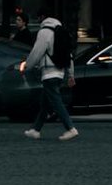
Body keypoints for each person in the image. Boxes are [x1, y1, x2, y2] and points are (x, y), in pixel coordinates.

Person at [22, 13, 77, 142]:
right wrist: (71, 74)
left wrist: (27, 66)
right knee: (45, 103)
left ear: (42, 17)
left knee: (56, 101)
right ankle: (35, 130)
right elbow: (69, 55)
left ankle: (70, 128)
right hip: (60, 72)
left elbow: (37, 52)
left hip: (49, 72)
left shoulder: (44, 32)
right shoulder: (61, 31)